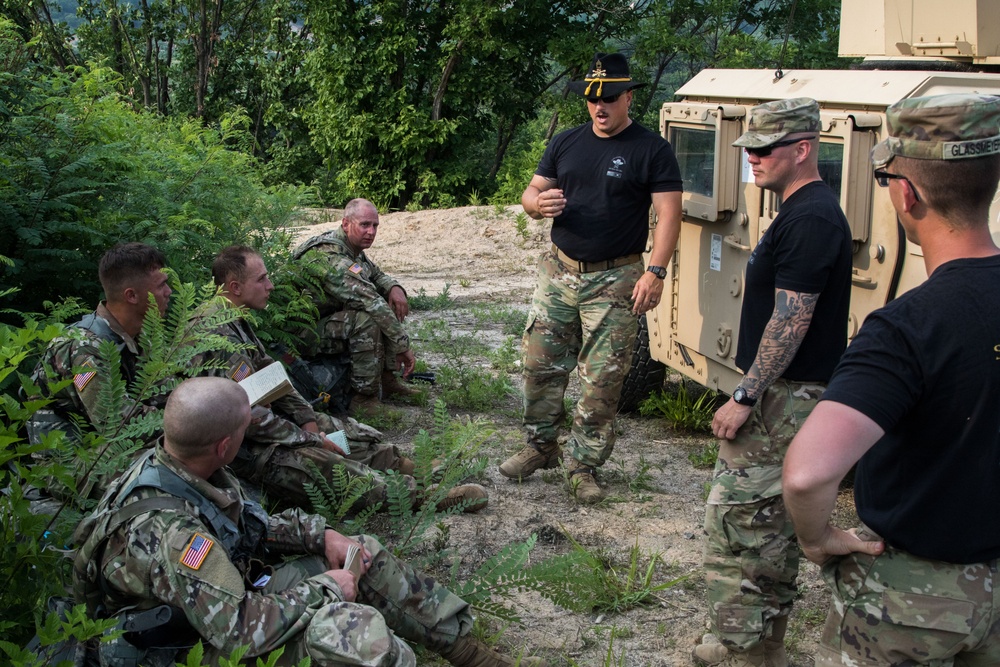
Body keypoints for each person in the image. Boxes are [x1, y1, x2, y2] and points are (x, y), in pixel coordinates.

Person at [72, 376, 543, 667]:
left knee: (363, 552)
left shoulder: (188, 465)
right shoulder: (175, 537)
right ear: (223, 445)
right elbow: (238, 632)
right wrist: (331, 588)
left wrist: (324, 535)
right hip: (176, 648)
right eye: (245, 429)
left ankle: (470, 654)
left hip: (213, 610)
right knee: (353, 634)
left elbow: (249, 524)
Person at [783, 93, 1000, 666]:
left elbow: (808, 474)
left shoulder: (907, 328)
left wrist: (817, 539)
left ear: (906, 192)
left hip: (917, 603)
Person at [694, 98, 853, 667]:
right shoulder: (800, 209)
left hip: (785, 397)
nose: (752, 160)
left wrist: (745, 394)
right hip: (784, 393)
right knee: (764, 525)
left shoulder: (810, 217)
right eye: (748, 150)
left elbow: (792, 319)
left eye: (763, 150)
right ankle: (756, 644)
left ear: (803, 149)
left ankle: (750, 651)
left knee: (744, 525)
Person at [497, 52, 683, 503]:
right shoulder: (567, 142)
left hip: (616, 276)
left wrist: (655, 272)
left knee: (602, 379)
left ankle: (582, 465)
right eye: (592, 99)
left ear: (628, 98)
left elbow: (669, 212)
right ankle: (540, 446)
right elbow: (532, 190)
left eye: (610, 99)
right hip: (559, 269)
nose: (600, 107)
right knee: (539, 363)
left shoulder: (651, 149)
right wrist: (534, 205)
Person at [191, 245, 486, 513]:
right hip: (239, 448)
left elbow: (271, 377)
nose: (270, 286)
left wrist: (307, 418)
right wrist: (309, 439)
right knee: (321, 462)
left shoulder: (233, 318)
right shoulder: (217, 334)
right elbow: (250, 418)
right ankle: (419, 496)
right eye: (262, 280)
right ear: (235, 287)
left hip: (260, 426)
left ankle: (409, 467)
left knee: (340, 432)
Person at [27, 242, 173, 501]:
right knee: (169, 471)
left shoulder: (143, 338)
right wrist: (189, 424)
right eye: (161, 285)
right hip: (68, 462)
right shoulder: (84, 348)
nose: (169, 292)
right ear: (132, 295)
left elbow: (167, 396)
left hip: (109, 448)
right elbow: (117, 423)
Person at [292, 198, 420, 412]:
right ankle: (363, 399)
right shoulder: (330, 256)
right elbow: (370, 300)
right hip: (302, 333)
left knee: (381, 301)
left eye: (375, 225)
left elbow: (375, 274)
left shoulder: (351, 247)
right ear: (346, 224)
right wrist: (402, 345)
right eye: (364, 225)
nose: (371, 231)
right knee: (367, 318)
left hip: (325, 320)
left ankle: (386, 380)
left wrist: (393, 287)